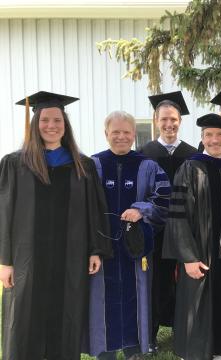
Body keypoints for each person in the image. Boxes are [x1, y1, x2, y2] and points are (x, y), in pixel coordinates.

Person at [0, 91, 112, 360]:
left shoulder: (81, 165)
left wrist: (95, 250)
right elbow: (4, 213)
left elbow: (94, 212)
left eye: (57, 121)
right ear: (35, 123)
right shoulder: (15, 164)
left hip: (69, 258)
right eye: (45, 120)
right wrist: (5, 261)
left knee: (67, 317)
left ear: (66, 125)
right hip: (27, 259)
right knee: (25, 320)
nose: (51, 126)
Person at [88, 111, 170, 359]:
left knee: (136, 298)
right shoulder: (94, 165)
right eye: (115, 132)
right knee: (104, 299)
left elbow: (165, 201)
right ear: (106, 134)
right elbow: (81, 205)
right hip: (103, 248)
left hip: (136, 249)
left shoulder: (148, 166)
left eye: (126, 132)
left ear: (134, 134)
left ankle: (134, 349)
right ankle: (106, 351)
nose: (121, 137)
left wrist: (141, 209)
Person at [163, 113, 221, 360]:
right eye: (208, 135)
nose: (214, 140)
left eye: (219, 135)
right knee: (197, 307)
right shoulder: (190, 167)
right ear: (202, 139)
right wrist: (187, 257)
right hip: (200, 255)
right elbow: (178, 216)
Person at [138, 91, 197, 351]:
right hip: (157, 230)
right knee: (155, 281)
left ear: (180, 121)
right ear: (156, 120)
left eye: (173, 119)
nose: (169, 124)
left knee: (185, 282)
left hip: (186, 229)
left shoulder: (193, 153)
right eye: (164, 119)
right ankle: (149, 335)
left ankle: (183, 331)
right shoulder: (144, 153)